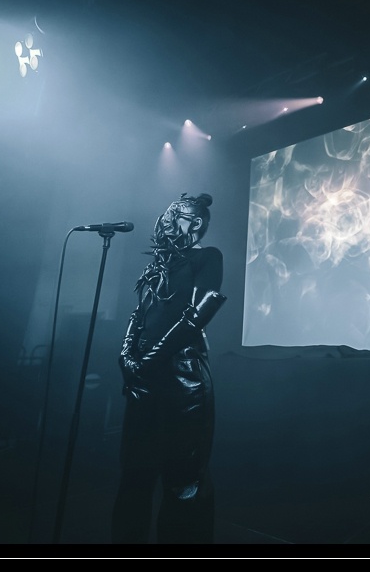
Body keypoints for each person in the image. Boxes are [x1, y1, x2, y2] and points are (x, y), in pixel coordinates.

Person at [111, 192, 225, 544]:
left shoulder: (208, 256)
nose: (173, 223)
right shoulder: (157, 265)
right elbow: (139, 313)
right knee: (134, 475)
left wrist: (149, 358)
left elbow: (196, 316)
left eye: (181, 217)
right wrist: (126, 354)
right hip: (143, 380)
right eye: (174, 216)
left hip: (183, 381)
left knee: (183, 481)